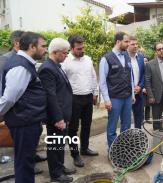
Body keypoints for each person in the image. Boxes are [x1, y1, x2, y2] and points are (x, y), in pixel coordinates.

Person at [0, 32, 48, 183]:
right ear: (32, 47)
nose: (45, 50)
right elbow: (9, 98)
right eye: (43, 46)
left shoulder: (24, 63)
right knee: (24, 164)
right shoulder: (21, 67)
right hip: (24, 123)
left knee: (25, 162)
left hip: (26, 121)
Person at [38, 38, 75, 183]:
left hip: (63, 114)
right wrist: (58, 118)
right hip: (56, 117)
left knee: (60, 144)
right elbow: (50, 96)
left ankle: (59, 167)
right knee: (55, 145)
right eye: (65, 53)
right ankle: (56, 174)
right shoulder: (47, 68)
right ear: (55, 52)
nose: (67, 55)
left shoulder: (56, 65)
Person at [62, 35, 99, 168]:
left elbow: (93, 76)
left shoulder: (88, 59)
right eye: (79, 48)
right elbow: (62, 82)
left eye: (83, 47)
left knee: (87, 124)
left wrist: (95, 93)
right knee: (73, 128)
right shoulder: (65, 62)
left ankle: (85, 148)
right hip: (73, 99)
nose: (82, 50)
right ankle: (75, 154)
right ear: (71, 48)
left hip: (88, 97)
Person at [99, 32, 135, 149]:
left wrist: (133, 94)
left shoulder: (126, 56)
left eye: (129, 42)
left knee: (126, 126)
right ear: (118, 42)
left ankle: (123, 149)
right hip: (114, 98)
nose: (128, 44)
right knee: (112, 127)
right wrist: (107, 100)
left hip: (127, 97)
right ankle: (113, 151)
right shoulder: (106, 59)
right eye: (126, 42)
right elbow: (103, 82)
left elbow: (130, 77)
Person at [127, 36, 145, 129]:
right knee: (126, 119)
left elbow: (143, 74)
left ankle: (138, 137)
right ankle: (127, 137)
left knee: (139, 118)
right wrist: (131, 88)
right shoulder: (123, 58)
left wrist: (140, 86)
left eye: (136, 44)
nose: (135, 46)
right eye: (132, 44)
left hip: (139, 93)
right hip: (127, 94)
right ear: (127, 45)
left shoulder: (141, 57)